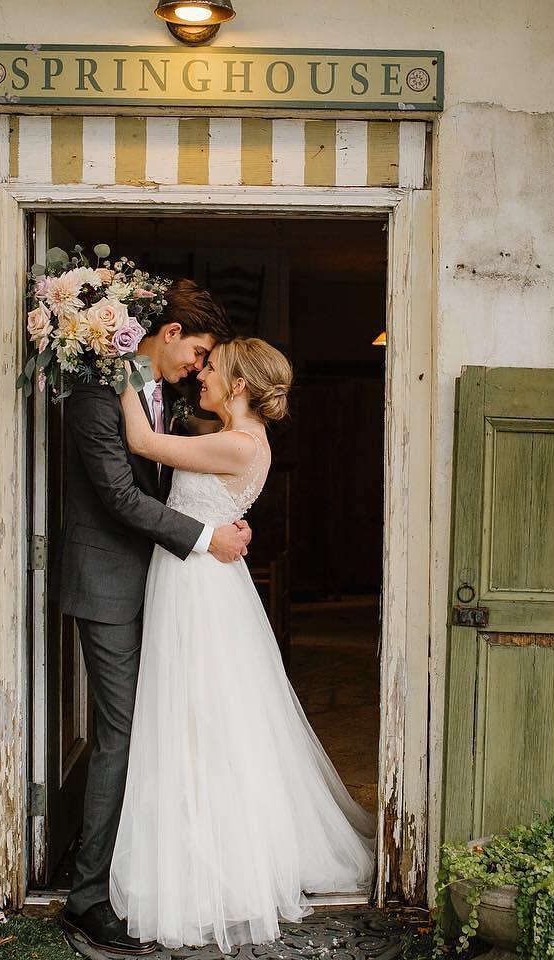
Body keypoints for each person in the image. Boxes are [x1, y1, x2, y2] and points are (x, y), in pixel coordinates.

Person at [108, 337, 375, 953]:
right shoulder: (235, 435)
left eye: (214, 370)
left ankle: (213, 861)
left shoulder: (235, 442)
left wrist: (120, 367)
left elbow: (144, 445)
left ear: (241, 387)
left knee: (200, 721)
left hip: (199, 589)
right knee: (208, 718)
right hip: (200, 580)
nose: (200, 375)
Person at [58, 280, 251, 957]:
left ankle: (138, 873)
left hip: (160, 589)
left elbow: (180, 471)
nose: (198, 368)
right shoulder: (91, 392)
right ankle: (85, 899)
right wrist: (205, 538)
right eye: (197, 353)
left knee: (158, 728)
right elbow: (115, 495)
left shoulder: (156, 391)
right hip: (108, 586)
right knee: (123, 733)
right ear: (168, 334)